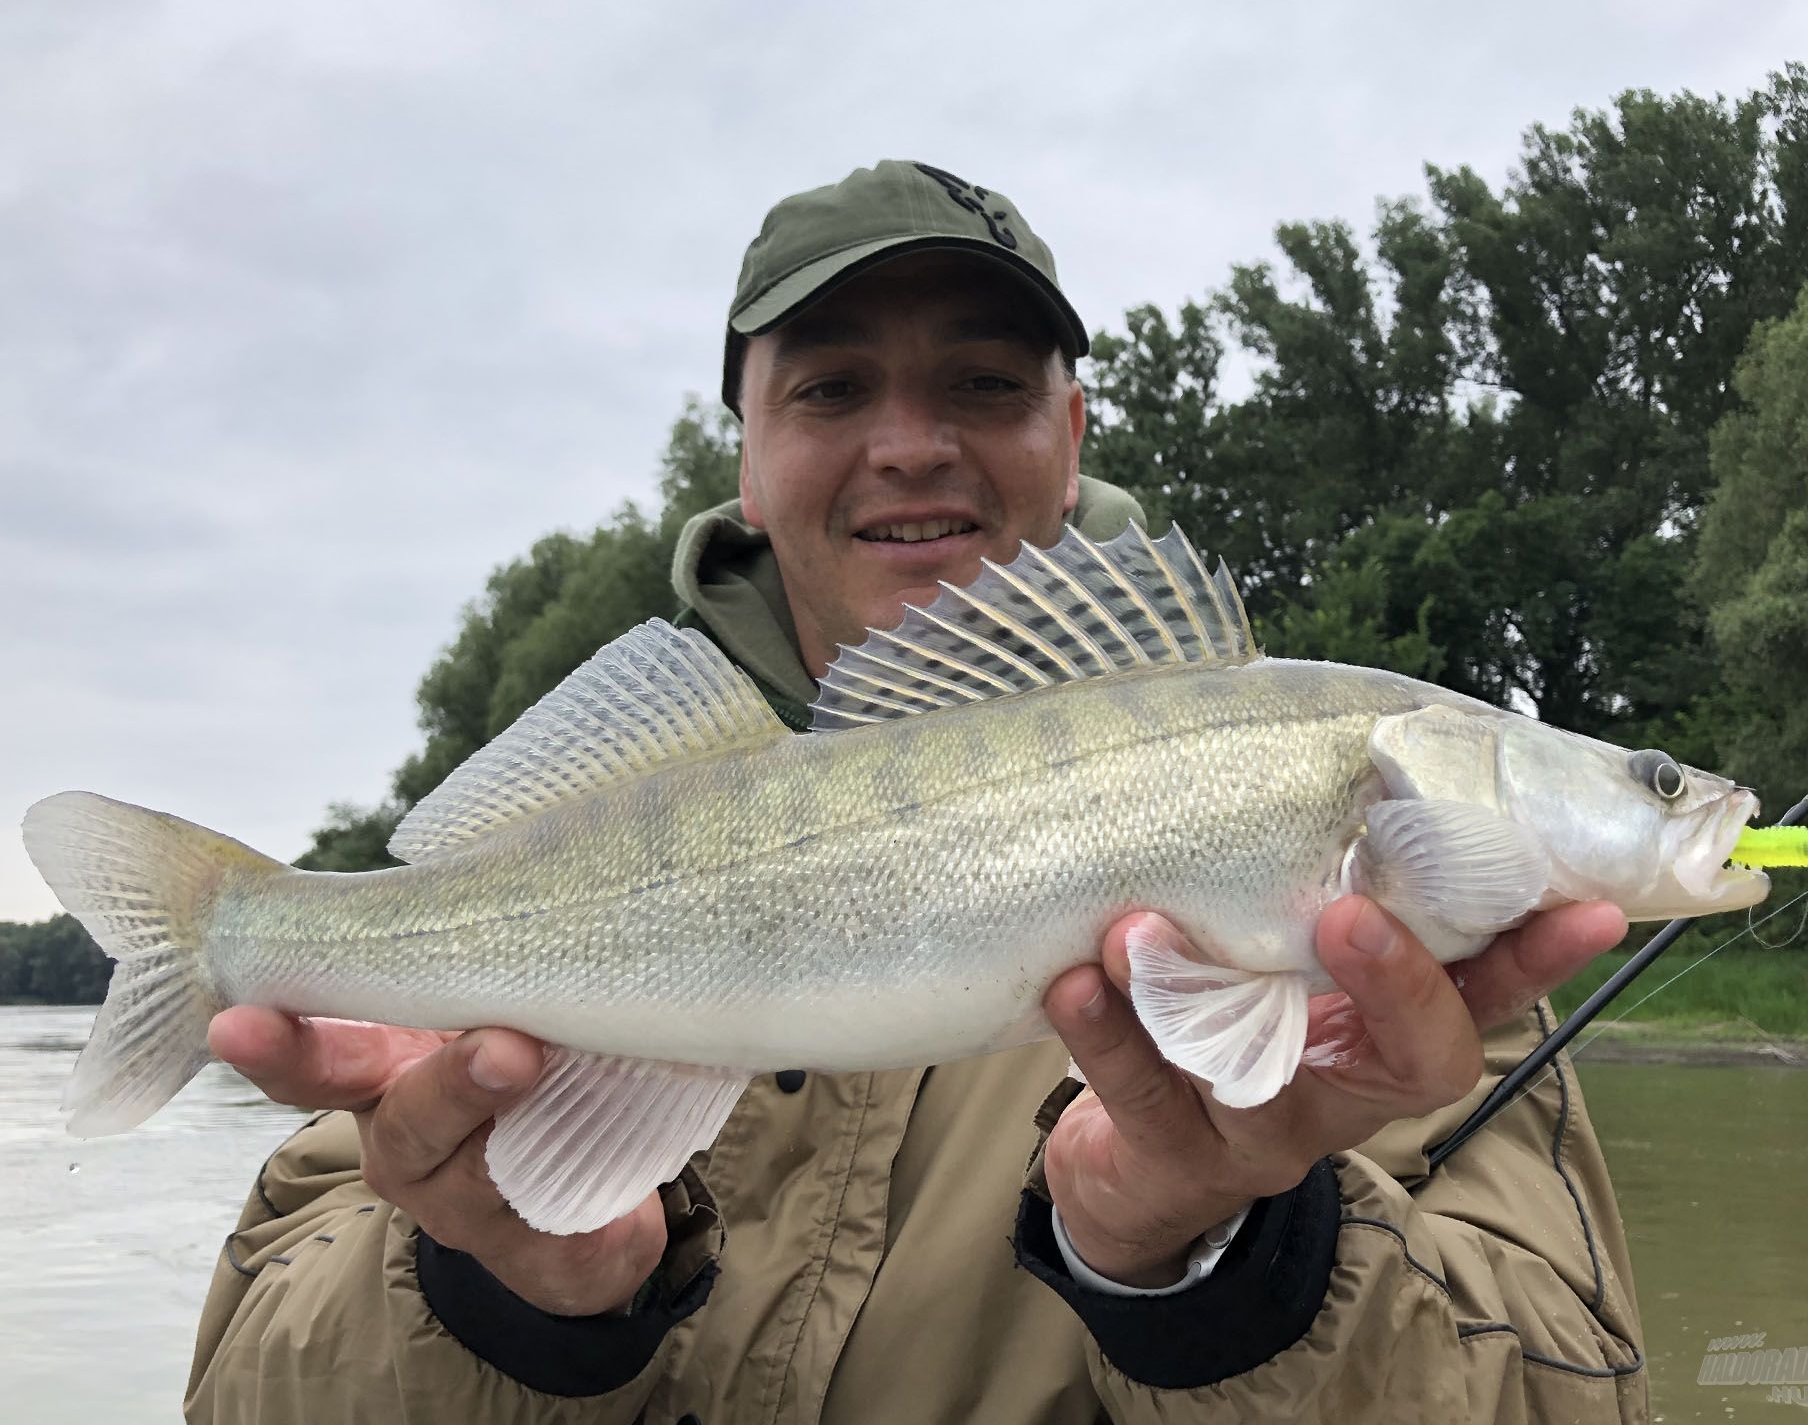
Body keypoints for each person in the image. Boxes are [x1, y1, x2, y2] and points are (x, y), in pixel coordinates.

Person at [187, 160, 1649, 1422]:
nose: (909, 443)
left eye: (986, 384)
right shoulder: (599, 823)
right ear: (747, 461)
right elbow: (245, 1394)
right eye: (831, 388)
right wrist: (501, 1294)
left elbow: (1574, 1387)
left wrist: (1221, 1267)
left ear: (1070, 439)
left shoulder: (1390, 942)